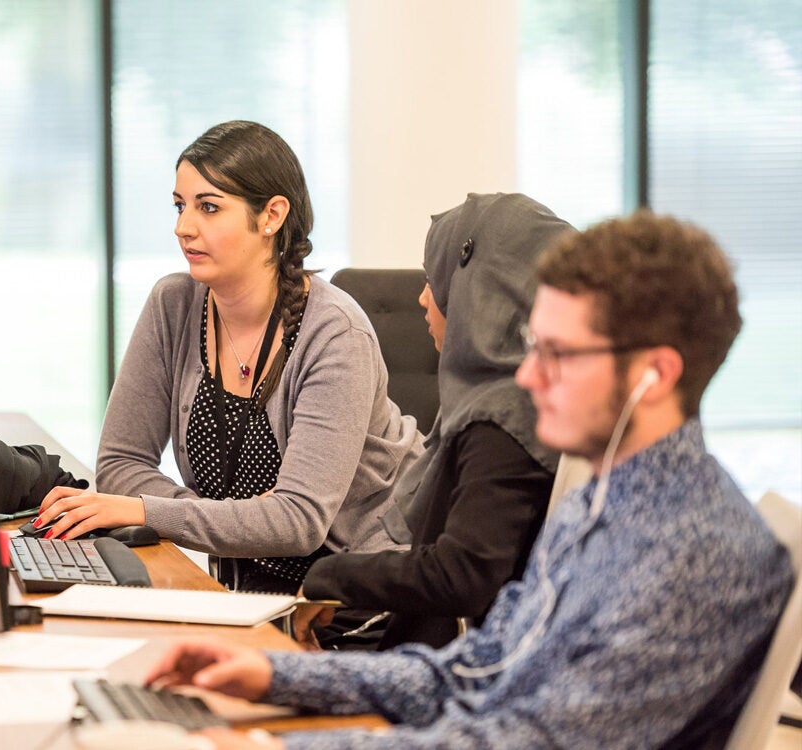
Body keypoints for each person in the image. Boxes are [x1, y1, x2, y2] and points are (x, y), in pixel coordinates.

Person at [141, 210, 795, 749]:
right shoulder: (600, 506)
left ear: (656, 374)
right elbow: (477, 671)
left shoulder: (693, 551)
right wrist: (275, 677)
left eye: (559, 354)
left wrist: (275, 747)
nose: (530, 377)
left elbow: (528, 742)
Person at [36, 121, 423, 593]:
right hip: (244, 589)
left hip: (353, 598)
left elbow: (298, 521)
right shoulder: (174, 305)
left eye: (209, 207)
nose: (183, 227)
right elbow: (120, 463)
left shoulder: (334, 333)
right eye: (180, 206)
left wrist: (148, 510)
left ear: (271, 216)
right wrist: (227, 519)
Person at [296, 193, 568, 651]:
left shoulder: (503, 419)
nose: (423, 298)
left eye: (434, 280)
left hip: (450, 669)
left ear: (479, 290)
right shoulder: (511, 398)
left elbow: (463, 575)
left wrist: (332, 576)